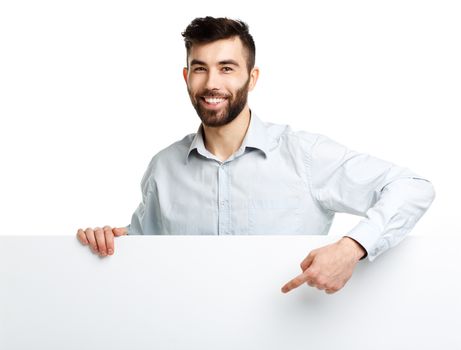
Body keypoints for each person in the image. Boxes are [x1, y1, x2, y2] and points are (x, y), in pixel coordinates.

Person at [76, 16, 435, 294]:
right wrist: (106, 242)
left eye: (227, 68)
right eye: (200, 68)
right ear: (186, 76)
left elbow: (412, 187)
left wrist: (352, 246)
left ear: (252, 77)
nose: (212, 83)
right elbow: (144, 253)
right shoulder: (163, 168)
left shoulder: (303, 156)